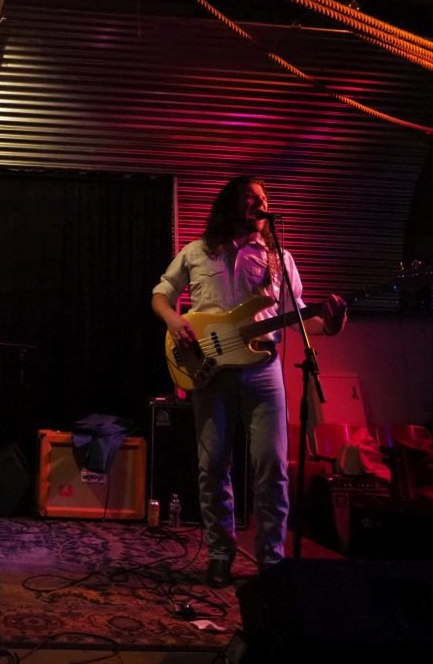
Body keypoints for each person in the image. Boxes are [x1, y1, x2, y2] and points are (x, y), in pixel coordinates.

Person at [151, 175, 346, 588]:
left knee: (272, 465)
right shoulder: (197, 251)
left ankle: (271, 561)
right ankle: (220, 554)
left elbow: (300, 316)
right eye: (249, 198)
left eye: (263, 198)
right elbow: (161, 294)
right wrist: (174, 320)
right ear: (230, 205)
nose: (259, 205)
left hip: (263, 369)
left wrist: (331, 324)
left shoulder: (279, 258)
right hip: (209, 368)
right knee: (212, 465)